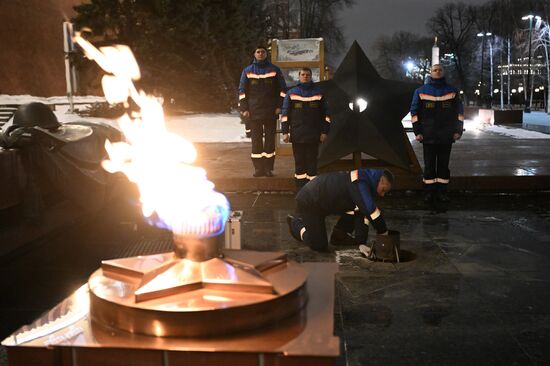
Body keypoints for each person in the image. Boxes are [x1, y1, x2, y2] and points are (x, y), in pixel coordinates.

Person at [286, 168, 393, 252]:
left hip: (323, 205)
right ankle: (296, 224)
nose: (382, 195)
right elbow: (371, 211)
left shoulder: (365, 183)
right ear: (381, 180)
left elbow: (362, 213)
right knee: (319, 245)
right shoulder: (359, 180)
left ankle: (339, 235)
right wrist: (383, 232)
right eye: (383, 190)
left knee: (356, 209)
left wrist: (361, 243)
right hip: (309, 201)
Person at [409, 64, 464, 203]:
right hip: (428, 136)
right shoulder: (420, 91)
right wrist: (417, 131)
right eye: (435, 70)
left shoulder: (452, 91)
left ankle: (442, 193)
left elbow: (459, 112)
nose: (437, 72)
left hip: (446, 135)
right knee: (429, 166)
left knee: (443, 166)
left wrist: (458, 130)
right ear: (431, 73)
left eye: (439, 70)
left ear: (443, 72)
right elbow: (414, 112)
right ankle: (429, 193)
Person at [238, 46, 287, 177]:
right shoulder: (247, 71)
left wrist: (279, 106)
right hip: (254, 112)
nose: (260, 54)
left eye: (263, 52)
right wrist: (244, 108)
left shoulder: (275, 70)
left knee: (270, 141)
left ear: (266, 54)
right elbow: (242, 91)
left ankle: (268, 168)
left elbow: (282, 90)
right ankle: (258, 169)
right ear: (254, 54)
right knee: (256, 141)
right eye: (258, 52)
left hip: (271, 111)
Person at [281, 67, 331, 189]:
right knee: (299, 164)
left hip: (314, 134)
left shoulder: (319, 93)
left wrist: (325, 131)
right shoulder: (291, 93)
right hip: (297, 135)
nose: (305, 76)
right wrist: (285, 132)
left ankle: (312, 190)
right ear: (299, 76)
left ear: (311, 76)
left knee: (312, 164)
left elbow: (327, 115)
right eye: (303, 74)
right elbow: (285, 114)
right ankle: (301, 191)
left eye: (307, 75)